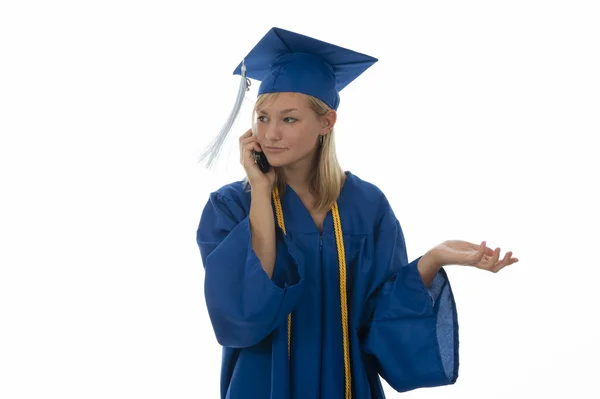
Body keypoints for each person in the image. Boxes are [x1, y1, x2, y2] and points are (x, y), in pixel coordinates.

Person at [196, 27, 518, 399]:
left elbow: (379, 321)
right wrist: (262, 190)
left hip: (347, 386)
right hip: (263, 386)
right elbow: (242, 312)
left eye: (289, 119)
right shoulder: (230, 206)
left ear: (326, 123)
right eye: (262, 117)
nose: (270, 134)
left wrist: (432, 260)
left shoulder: (367, 206)